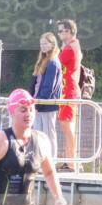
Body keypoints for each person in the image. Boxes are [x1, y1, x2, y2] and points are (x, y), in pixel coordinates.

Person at [56, 19, 83, 172]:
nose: (59, 34)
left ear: (68, 31)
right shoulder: (73, 45)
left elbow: (55, 64)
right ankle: (72, 161)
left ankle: (72, 163)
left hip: (69, 92)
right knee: (68, 128)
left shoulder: (69, 49)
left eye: (61, 31)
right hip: (69, 91)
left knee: (67, 128)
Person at [31, 32, 62, 162]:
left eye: (45, 43)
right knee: (37, 133)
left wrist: (38, 104)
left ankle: (51, 161)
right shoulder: (42, 61)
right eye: (41, 44)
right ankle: (39, 160)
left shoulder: (53, 63)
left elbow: (48, 87)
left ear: (52, 44)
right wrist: (32, 100)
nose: (42, 46)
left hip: (47, 105)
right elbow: (36, 83)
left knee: (49, 134)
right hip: (37, 103)